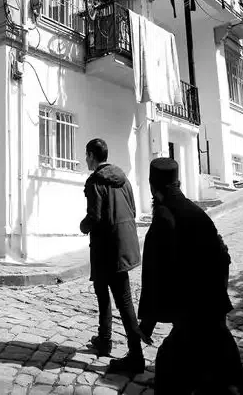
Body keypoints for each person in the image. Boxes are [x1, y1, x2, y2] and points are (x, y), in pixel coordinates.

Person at [137, 158, 243, 394]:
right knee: (221, 373)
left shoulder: (164, 217)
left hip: (193, 315)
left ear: (152, 187)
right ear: (177, 182)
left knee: (170, 368)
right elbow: (223, 256)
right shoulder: (196, 212)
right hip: (213, 310)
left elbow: (156, 275)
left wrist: (147, 324)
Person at [80, 138, 146, 376]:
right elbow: (133, 210)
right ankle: (105, 339)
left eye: (86, 155)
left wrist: (83, 226)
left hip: (105, 249)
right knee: (116, 297)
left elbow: (94, 216)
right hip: (123, 244)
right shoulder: (123, 179)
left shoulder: (95, 181)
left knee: (114, 300)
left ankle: (135, 355)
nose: (85, 160)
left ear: (91, 155)